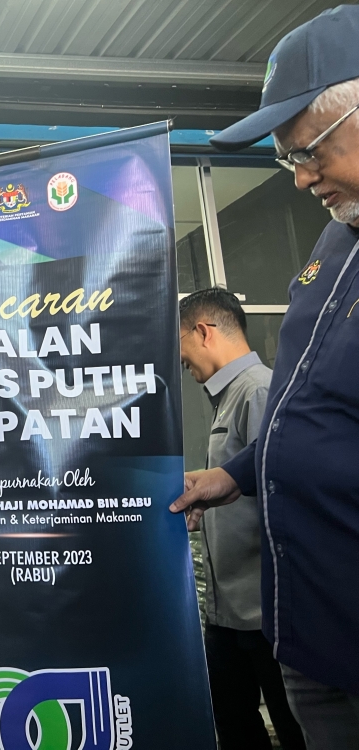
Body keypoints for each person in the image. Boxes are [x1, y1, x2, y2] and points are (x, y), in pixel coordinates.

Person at [171, 6, 359, 747]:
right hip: (314, 636)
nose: (303, 177)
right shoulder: (335, 241)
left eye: (310, 149)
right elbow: (316, 407)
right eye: (288, 159)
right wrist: (238, 474)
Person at [179, 289, 304, 750]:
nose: (182, 362)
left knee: (292, 729)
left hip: (262, 612)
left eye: (181, 345)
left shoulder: (258, 390)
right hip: (230, 611)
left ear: (204, 331)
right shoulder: (230, 395)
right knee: (233, 724)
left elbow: (283, 493)